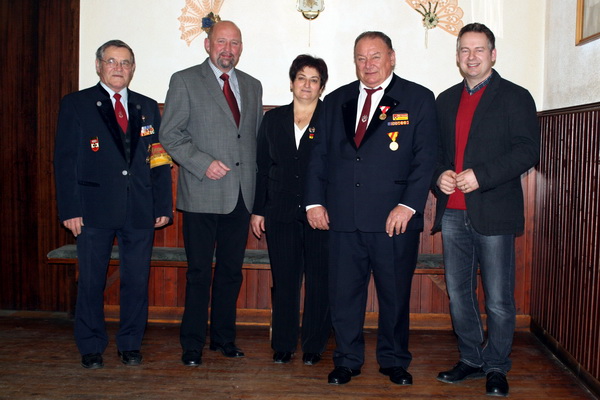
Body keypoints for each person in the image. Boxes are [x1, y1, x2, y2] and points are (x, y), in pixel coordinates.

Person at [305, 31, 438, 385]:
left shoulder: (418, 99)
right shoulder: (335, 101)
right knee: (344, 294)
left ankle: (394, 360)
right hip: (342, 218)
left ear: (392, 58)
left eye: (376, 56)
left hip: (393, 219)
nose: (369, 65)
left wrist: (408, 205)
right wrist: (315, 202)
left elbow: (425, 161)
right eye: (361, 58)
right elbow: (318, 156)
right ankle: (347, 359)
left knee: (395, 294)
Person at [432, 23, 540, 397]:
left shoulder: (516, 96)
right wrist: (440, 175)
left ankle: (496, 364)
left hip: (494, 211)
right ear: (457, 56)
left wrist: (483, 175)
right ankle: (472, 359)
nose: (471, 57)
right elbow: (435, 155)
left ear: (493, 55)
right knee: (458, 293)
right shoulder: (444, 100)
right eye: (464, 50)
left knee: (497, 297)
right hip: (452, 213)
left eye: (479, 50)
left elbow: (527, 151)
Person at [54, 40, 173, 369]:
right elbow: (64, 161)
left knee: (136, 281)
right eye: (112, 61)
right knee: (91, 281)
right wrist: (70, 210)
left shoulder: (147, 107)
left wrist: (162, 203)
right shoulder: (75, 105)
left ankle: (131, 343)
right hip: (92, 210)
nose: (119, 68)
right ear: (98, 65)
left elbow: (159, 159)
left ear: (133, 69)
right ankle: (91, 345)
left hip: (140, 209)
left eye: (125, 62)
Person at [160, 20, 263, 367]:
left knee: (232, 273)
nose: (228, 49)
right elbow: (170, 134)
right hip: (203, 193)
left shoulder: (252, 86)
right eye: (222, 42)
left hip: (241, 196)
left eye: (235, 43)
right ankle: (192, 344)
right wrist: (203, 163)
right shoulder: (185, 80)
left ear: (241, 48)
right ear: (207, 44)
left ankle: (223, 338)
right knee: (199, 273)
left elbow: (252, 142)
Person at [251, 55, 331, 366]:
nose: (307, 84)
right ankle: (282, 343)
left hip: (320, 215)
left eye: (314, 80)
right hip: (280, 212)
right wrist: (259, 211)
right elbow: (261, 168)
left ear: (322, 87)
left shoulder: (331, 119)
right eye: (301, 78)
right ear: (291, 82)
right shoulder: (272, 120)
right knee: (284, 280)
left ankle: (313, 345)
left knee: (318, 280)